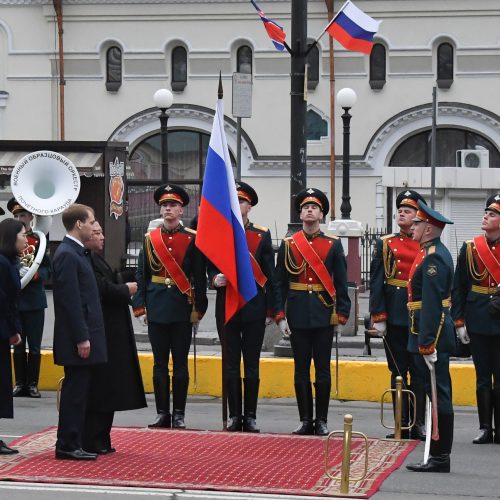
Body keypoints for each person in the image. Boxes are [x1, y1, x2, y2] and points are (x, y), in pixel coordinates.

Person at [275, 188, 350, 436]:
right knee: (300, 369)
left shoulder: (332, 244)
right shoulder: (288, 245)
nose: (309, 210)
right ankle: (305, 419)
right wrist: (279, 315)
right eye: (306, 207)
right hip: (296, 313)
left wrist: (341, 314)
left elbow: (341, 283)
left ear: (321, 215)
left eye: (315, 207)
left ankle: (322, 420)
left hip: (322, 313)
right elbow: (280, 283)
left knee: (323, 369)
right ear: (300, 212)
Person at [132, 184, 208, 429]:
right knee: (159, 363)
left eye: (173, 205)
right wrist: (140, 306)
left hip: (181, 306)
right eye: (165, 205)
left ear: (181, 210)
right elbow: (141, 274)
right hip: (156, 305)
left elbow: (199, 276)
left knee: (181, 363)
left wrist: (199, 308)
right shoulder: (150, 239)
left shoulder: (192, 239)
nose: (168, 209)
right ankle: (162, 413)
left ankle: (179, 413)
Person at [208, 182, 280, 432]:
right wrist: (215, 279)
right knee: (230, 362)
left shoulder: (261, 235)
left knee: (251, 362)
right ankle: (234, 415)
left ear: (249, 207)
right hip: (227, 305)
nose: (237, 206)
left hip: (253, 306)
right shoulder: (219, 233)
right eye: (233, 201)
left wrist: (272, 310)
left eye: (241, 202)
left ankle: (250, 415)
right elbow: (208, 267)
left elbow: (270, 276)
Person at [82, 221, 147, 454]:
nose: (102, 237)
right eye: (96, 233)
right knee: (102, 388)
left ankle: (102, 438)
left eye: (102, 232)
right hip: (104, 329)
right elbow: (101, 289)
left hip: (113, 328)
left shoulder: (94, 257)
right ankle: (93, 439)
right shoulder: (85, 258)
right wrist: (126, 289)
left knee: (110, 386)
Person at [369, 190, 427, 440]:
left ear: (418, 216)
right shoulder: (386, 243)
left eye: (408, 210)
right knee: (398, 372)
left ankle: (419, 423)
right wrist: (378, 316)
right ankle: (400, 423)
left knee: (420, 372)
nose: (402, 213)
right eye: (400, 210)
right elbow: (377, 282)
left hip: (419, 316)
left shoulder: (426, 243)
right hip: (394, 315)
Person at [52, 204, 107, 461]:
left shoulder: (78, 253)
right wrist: (81, 337)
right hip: (77, 339)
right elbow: (70, 302)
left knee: (81, 392)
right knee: (74, 394)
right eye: (91, 221)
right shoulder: (67, 254)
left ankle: (74, 441)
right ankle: (67, 444)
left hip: (86, 335)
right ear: (78, 224)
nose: (94, 225)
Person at [405, 201, 455, 473]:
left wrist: (427, 342)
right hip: (425, 331)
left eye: (417, 223)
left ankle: (440, 456)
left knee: (439, 394)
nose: (412, 226)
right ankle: (436, 454)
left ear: (428, 228)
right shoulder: (427, 252)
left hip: (431, 335)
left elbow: (433, 304)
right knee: (433, 393)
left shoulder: (434, 256)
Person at [451, 194, 500, 445]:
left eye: (492, 214)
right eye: (486, 213)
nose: (486, 217)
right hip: (478, 319)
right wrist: (459, 323)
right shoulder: (470, 248)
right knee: (482, 376)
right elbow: (458, 288)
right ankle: (484, 428)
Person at [7, 198, 51, 399]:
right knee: (17, 344)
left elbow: (48, 269)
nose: (20, 219)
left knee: (34, 345)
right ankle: (19, 384)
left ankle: (33, 384)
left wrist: (35, 275)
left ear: (31, 217)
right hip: (16, 299)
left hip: (33, 299)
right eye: (16, 216)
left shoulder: (40, 240)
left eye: (23, 215)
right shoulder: (9, 240)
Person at [0, 219, 25, 455]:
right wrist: (12, 330)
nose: (26, 240)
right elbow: (4, 301)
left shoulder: (9, 261)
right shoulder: (2, 262)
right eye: (22, 235)